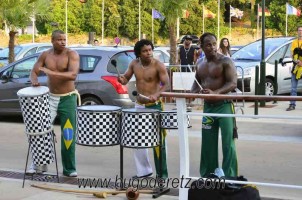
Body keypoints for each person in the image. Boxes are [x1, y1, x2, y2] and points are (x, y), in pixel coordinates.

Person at [29, 30, 80, 177]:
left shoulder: (72, 54)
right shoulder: (45, 55)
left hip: (68, 98)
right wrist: (34, 80)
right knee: (41, 131)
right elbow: (34, 71)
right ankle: (38, 166)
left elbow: (72, 75)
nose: (63, 42)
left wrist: (51, 73)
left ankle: (69, 169)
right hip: (50, 97)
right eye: (59, 39)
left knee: (68, 134)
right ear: (52, 40)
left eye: (64, 39)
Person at [118, 39, 169, 179]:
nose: (148, 53)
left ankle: (162, 174)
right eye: (145, 51)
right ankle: (144, 171)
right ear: (138, 54)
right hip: (139, 106)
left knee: (158, 142)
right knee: (138, 140)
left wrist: (157, 94)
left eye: (150, 50)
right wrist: (122, 79)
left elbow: (166, 84)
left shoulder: (158, 65)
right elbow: (126, 78)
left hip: (155, 106)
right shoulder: (134, 64)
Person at [191, 32, 238, 178]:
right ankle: (208, 174)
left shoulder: (226, 61)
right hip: (208, 107)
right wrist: (191, 94)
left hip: (224, 105)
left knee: (227, 144)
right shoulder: (199, 64)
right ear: (202, 47)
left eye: (214, 43)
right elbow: (196, 83)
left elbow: (232, 83)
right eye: (208, 44)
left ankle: (229, 177)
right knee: (208, 143)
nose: (212, 47)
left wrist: (215, 92)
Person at [286, 25, 302, 111]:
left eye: (301, 30)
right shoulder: (294, 42)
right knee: (293, 87)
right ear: (297, 32)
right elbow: (292, 55)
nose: (300, 32)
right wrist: (297, 61)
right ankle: (292, 104)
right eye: (299, 30)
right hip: (296, 67)